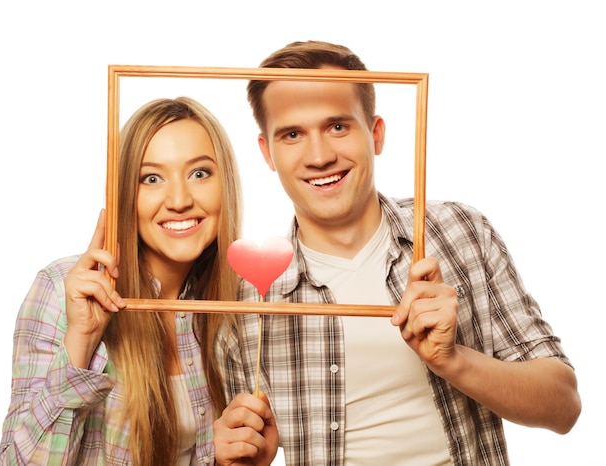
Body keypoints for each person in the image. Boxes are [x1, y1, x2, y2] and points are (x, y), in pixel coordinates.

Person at [213, 41, 582, 465]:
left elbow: (564, 406)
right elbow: (245, 448)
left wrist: (454, 360)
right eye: (293, 134)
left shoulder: (461, 232)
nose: (319, 156)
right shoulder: (246, 300)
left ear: (376, 134)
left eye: (337, 126)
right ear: (268, 153)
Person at [0, 96, 245, 466]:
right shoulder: (61, 289)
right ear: (125, 194)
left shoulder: (238, 306)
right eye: (151, 178)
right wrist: (81, 340)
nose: (178, 199)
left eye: (199, 173)